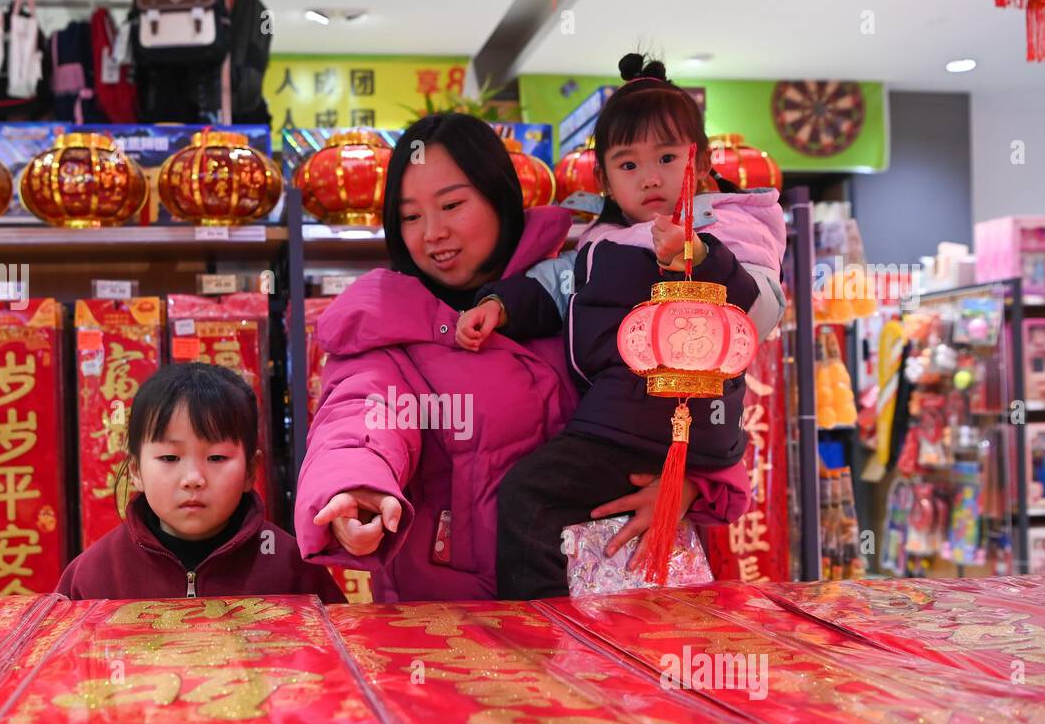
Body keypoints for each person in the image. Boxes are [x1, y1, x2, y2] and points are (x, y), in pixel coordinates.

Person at [294, 111, 748, 602]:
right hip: (456, 625)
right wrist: (357, 487)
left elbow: (693, 393)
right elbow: (360, 418)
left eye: (451, 205)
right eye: (410, 216)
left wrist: (687, 486)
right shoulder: (386, 327)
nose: (432, 233)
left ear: (499, 197)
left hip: (611, 606)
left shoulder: (584, 289)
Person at [459, 54, 784, 600]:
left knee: (528, 495)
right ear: (605, 176)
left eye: (666, 157)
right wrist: (500, 304)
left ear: (698, 162)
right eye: (628, 165)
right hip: (620, 419)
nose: (650, 177)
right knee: (592, 527)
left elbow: (760, 314)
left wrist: (701, 257)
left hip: (659, 422)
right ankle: (601, 625)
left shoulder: (726, 223)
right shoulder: (603, 239)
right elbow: (556, 284)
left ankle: (537, 622)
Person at [57, 362, 344, 602]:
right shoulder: (95, 574)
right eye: (170, 458)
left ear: (250, 471)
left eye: (217, 458)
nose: (193, 479)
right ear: (135, 471)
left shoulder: (291, 567)